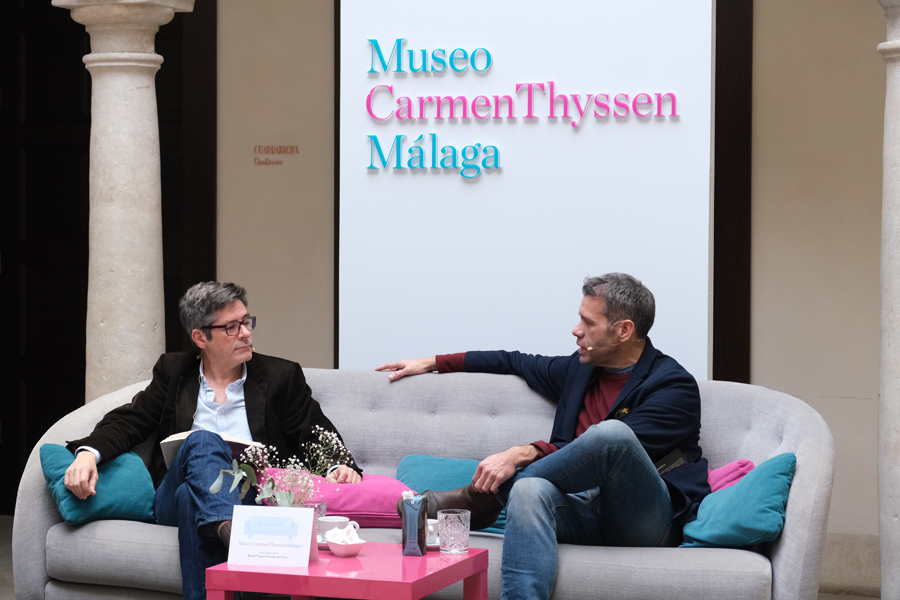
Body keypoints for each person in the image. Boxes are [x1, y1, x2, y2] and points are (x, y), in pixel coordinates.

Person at [376, 273, 710, 600]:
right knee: (529, 489)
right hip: (580, 512)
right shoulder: (580, 369)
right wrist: (432, 362)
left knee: (613, 435)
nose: (576, 330)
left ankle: (483, 499)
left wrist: (525, 452)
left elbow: (608, 450)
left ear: (624, 330)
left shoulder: (673, 386)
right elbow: (512, 361)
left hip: (644, 522)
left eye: (588, 322)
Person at [64, 281, 362, 600]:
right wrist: (87, 454)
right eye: (231, 327)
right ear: (200, 338)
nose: (245, 333)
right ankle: (232, 530)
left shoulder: (280, 376)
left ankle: (223, 527)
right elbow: (130, 419)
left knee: (191, 498)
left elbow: (314, 432)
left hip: (252, 497)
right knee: (203, 441)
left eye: (246, 322)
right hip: (170, 499)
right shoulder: (174, 372)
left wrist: (338, 466)